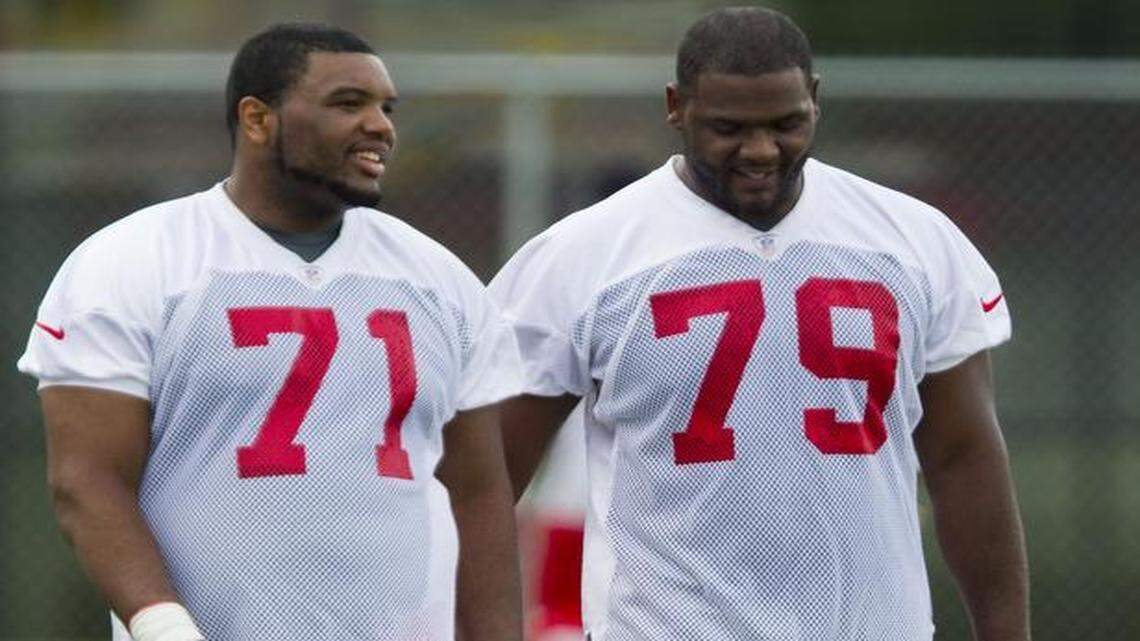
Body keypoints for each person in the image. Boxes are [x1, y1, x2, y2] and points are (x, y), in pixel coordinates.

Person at [490, 6, 1029, 641]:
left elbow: (963, 456)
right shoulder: (584, 255)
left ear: (815, 100)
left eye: (786, 124)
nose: (761, 151)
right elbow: (488, 476)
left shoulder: (914, 242)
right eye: (729, 128)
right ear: (676, 106)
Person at [18, 23, 523, 641]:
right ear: (257, 119)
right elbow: (87, 479)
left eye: (385, 108)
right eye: (348, 104)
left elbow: (478, 493)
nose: (380, 126)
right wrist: (163, 626)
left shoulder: (439, 280)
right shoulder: (134, 261)